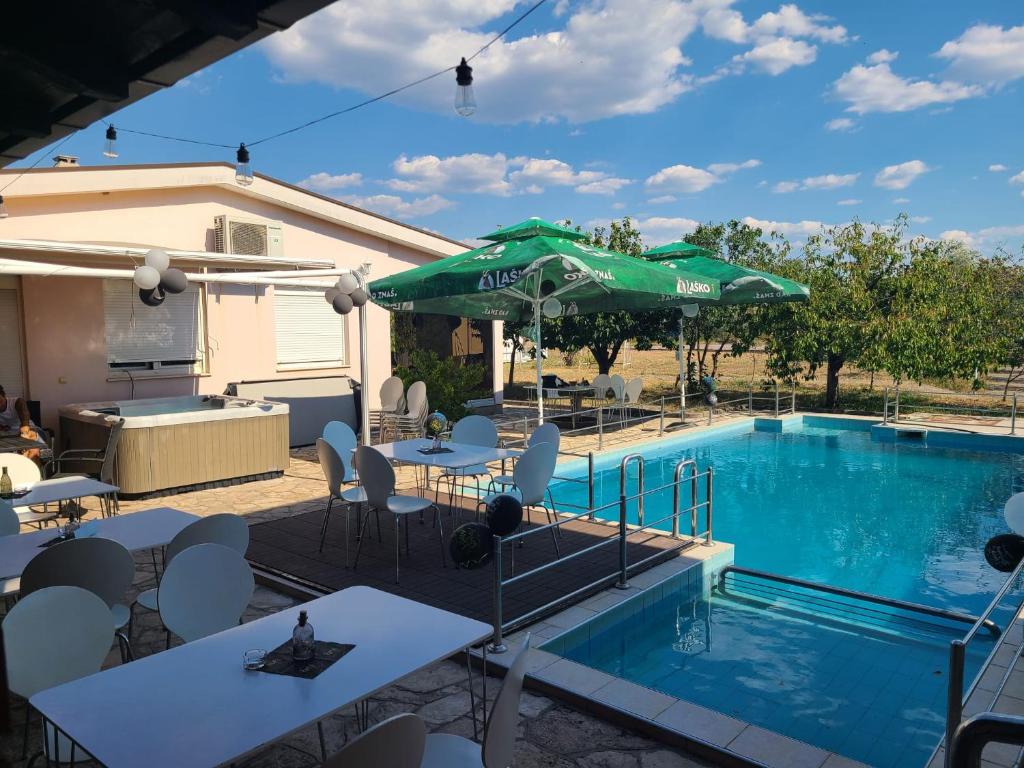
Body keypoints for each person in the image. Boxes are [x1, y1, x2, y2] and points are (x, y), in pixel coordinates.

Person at [0, 385, 46, 460]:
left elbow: (24, 418)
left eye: (0, 401)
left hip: (30, 430)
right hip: (10, 436)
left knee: (32, 451)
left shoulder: (17, 402)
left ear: (4, 395)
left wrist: (25, 426)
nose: (0, 405)